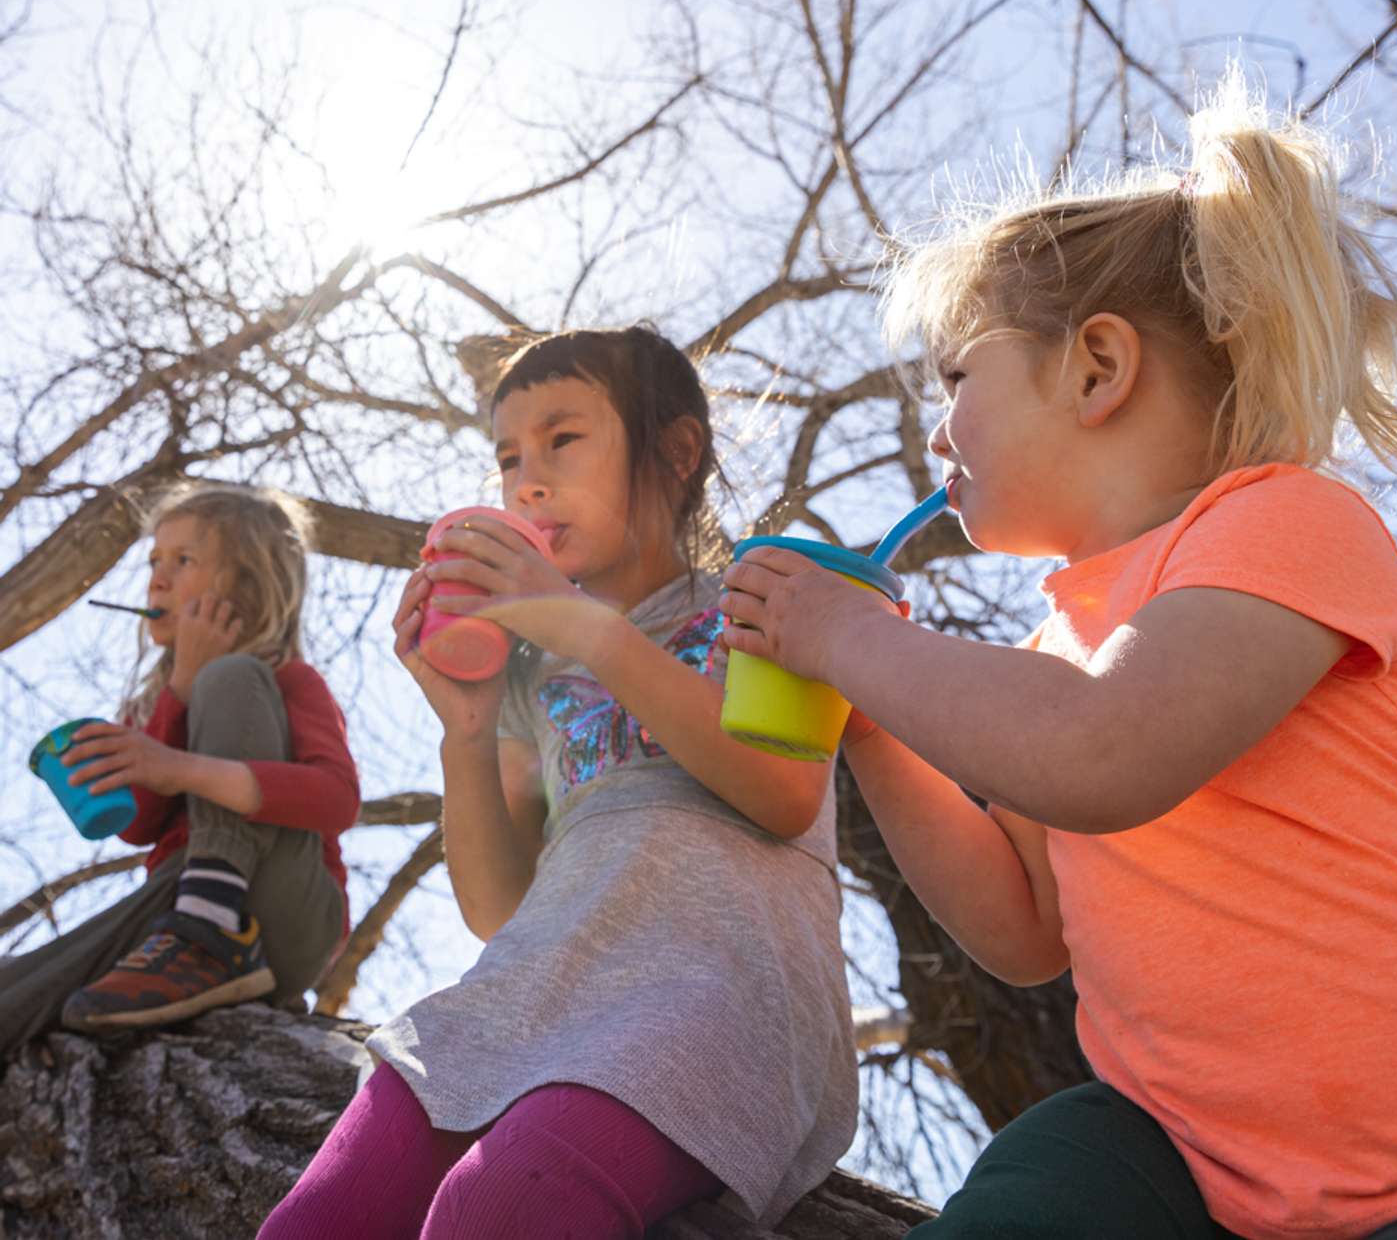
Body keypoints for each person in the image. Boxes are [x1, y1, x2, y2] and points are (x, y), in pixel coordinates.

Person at [721, 74, 1397, 1240]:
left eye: (957, 378)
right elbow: (1028, 927)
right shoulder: (1057, 651)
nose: (936, 428)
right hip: (1186, 1158)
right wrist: (877, 725)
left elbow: (1103, 745)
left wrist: (847, 635)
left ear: (1096, 368)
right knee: (1060, 1153)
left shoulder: (1283, 523)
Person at [260, 325, 857, 1240]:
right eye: (507, 458)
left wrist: (587, 629)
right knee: (318, 1224)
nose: (525, 481)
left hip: (710, 994)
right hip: (524, 989)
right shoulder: (530, 676)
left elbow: (784, 793)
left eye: (562, 440)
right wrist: (465, 723)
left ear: (676, 451)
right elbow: (498, 905)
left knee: (501, 1207)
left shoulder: (765, 593)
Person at [0, 484, 359, 1056]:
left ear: (246, 582)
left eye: (183, 561)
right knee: (17, 996)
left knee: (232, 676)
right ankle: (199, 933)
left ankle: (212, 926)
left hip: (286, 917)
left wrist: (181, 767)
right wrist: (178, 696)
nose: (157, 580)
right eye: (154, 562)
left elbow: (337, 800)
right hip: (173, 916)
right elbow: (138, 825)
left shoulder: (287, 679)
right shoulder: (158, 703)